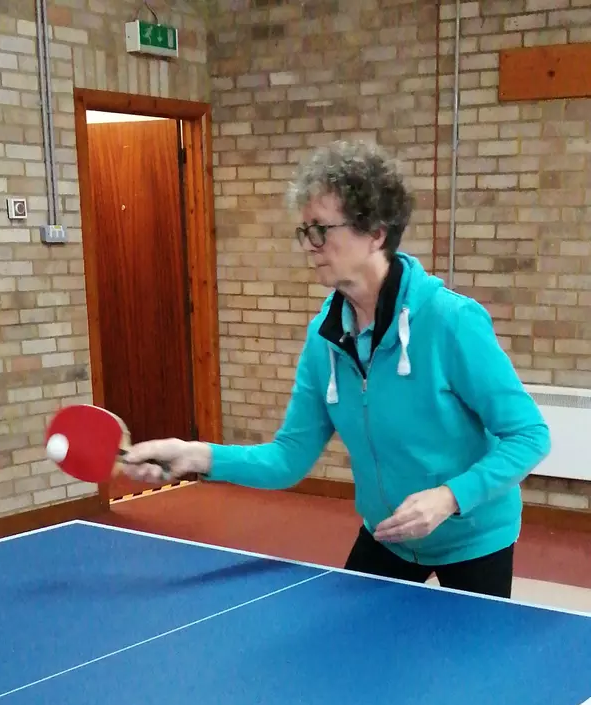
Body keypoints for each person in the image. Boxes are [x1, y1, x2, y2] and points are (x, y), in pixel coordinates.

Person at [121, 139, 551, 599]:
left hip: (473, 539)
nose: (312, 246)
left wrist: (450, 498)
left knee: (471, 670)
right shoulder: (324, 338)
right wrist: (194, 455)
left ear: (376, 233)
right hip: (388, 534)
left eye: (322, 229)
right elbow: (289, 459)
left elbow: (529, 436)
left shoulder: (451, 322)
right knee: (347, 656)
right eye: (305, 231)